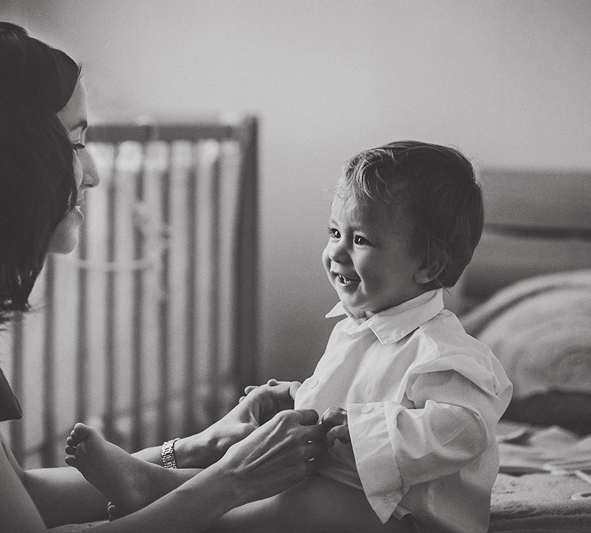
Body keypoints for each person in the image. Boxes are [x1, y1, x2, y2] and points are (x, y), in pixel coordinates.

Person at [0, 21, 330, 533]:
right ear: (5, 162)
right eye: (75, 144)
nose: (92, 174)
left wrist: (198, 448)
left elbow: (17, 491)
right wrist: (235, 482)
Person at [65, 141, 513, 533]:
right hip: (350, 494)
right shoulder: (354, 328)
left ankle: (197, 519)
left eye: (361, 240)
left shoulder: (445, 352)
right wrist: (305, 400)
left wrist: (362, 429)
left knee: (311, 501)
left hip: (411, 520)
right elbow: (356, 394)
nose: (336, 251)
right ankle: (156, 485)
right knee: (271, 470)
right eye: (335, 232)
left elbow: (466, 427)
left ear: (428, 266)